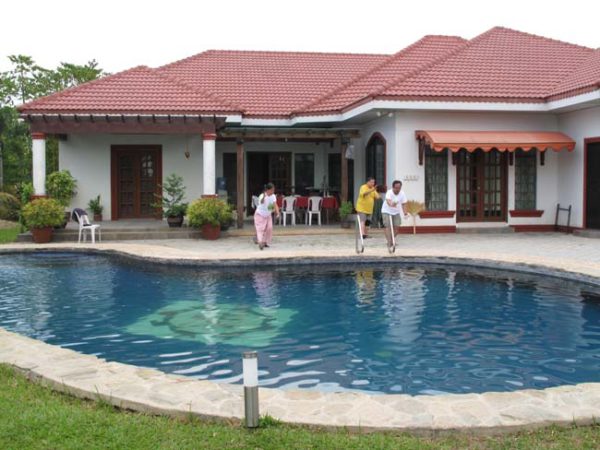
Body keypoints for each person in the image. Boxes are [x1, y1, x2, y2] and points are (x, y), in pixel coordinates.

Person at [381, 180, 408, 251]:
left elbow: (404, 203)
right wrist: (391, 204)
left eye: (399, 188)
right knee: (387, 226)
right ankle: (389, 242)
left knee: (397, 227)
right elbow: (388, 201)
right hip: (386, 211)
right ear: (393, 187)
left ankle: (391, 239)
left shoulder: (402, 193)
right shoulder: (389, 192)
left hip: (396, 212)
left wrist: (405, 213)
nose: (398, 189)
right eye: (396, 188)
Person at [254, 182, 280, 250]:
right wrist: (264, 197)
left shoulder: (273, 196)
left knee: (269, 228)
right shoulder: (262, 195)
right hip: (260, 215)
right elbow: (262, 202)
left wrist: (277, 213)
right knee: (260, 229)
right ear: (268, 190)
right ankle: (260, 242)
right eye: (272, 190)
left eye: (273, 190)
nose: (273, 191)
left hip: (268, 215)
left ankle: (265, 242)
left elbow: (274, 205)